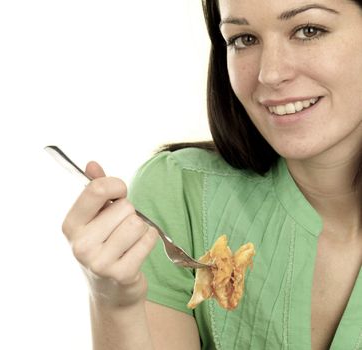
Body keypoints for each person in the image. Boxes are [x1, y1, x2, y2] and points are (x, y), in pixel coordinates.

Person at [60, 0, 362, 349]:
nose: (270, 73)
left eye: (309, 31)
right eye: (243, 39)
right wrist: (114, 301)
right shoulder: (178, 194)